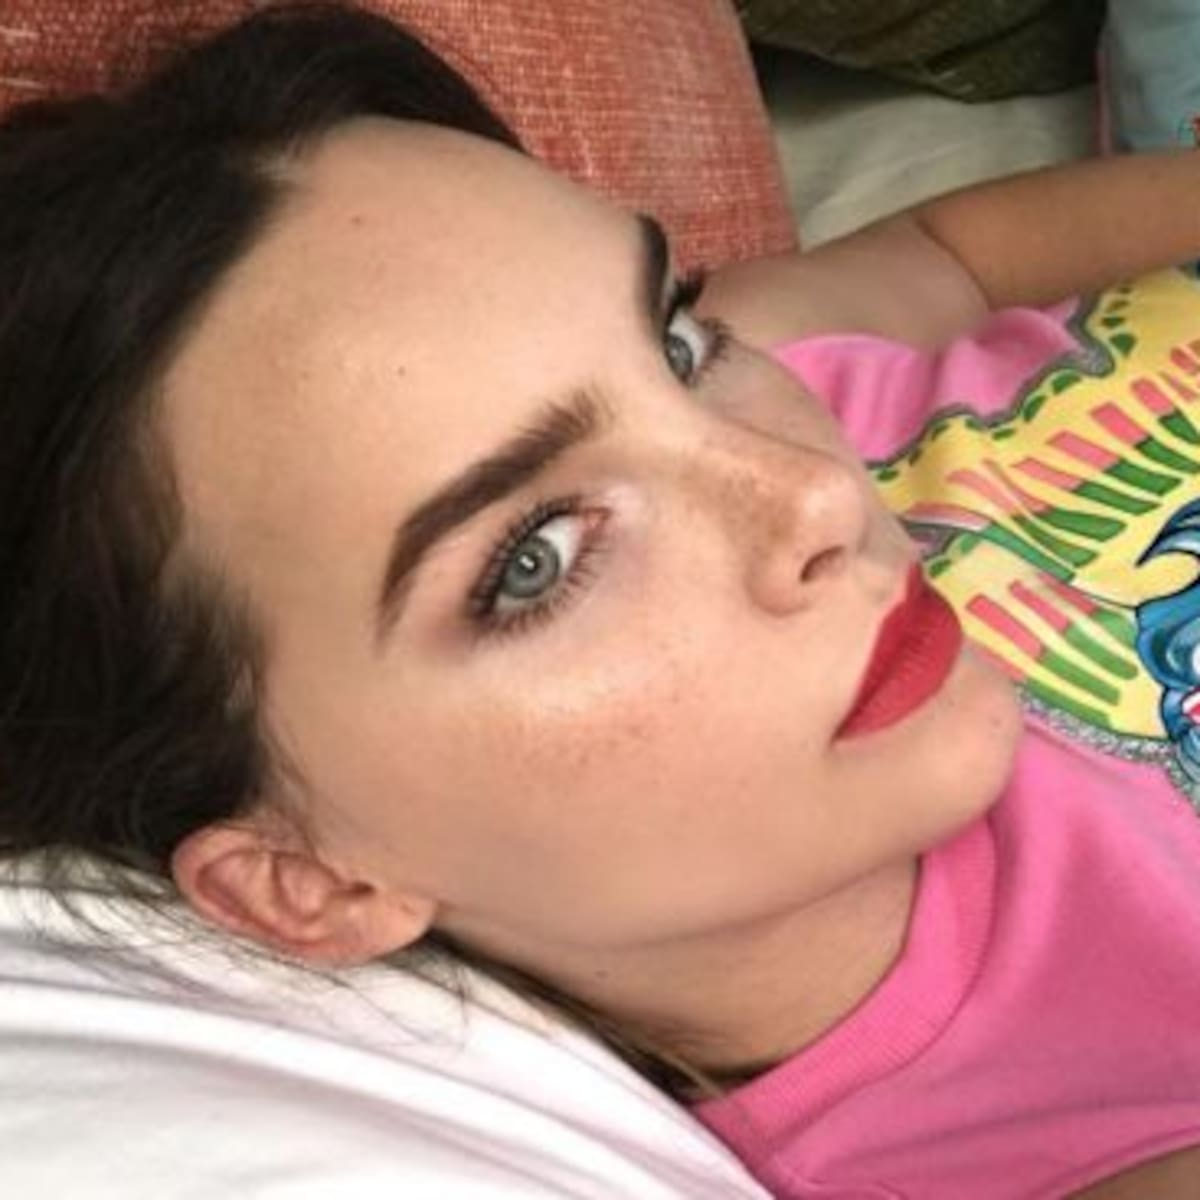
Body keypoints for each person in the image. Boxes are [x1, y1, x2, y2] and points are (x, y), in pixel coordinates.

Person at [1, 2, 1199, 1196]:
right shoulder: (1062, 1141)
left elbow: (948, 255)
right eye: (536, 558)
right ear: (312, 882)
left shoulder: (752, 375)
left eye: (671, 341)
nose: (818, 493)